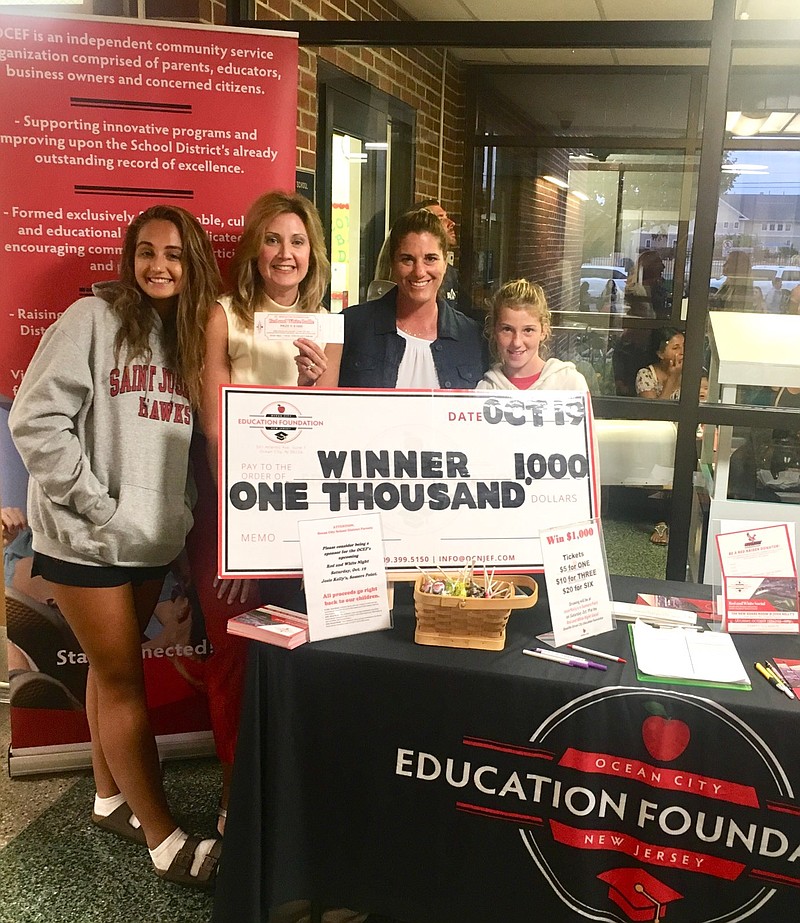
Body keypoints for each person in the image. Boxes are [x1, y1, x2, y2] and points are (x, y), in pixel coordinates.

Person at [8, 205, 222, 889]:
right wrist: (96, 504)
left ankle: (107, 799)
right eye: (145, 252)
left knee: (107, 670)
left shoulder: (190, 337)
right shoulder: (91, 321)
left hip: (149, 541)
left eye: (174, 254)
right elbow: (36, 418)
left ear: (193, 264)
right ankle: (163, 836)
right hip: (86, 540)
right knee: (127, 679)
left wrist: (176, 517)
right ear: (129, 258)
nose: (158, 265)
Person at [192, 190, 336, 834]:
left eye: (298, 241)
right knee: (236, 657)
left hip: (301, 514)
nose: (286, 253)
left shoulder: (326, 324)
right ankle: (235, 800)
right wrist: (240, 539)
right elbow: (217, 428)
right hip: (235, 508)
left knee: (302, 655)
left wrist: (312, 388)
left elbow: (324, 428)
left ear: (312, 254)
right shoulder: (224, 315)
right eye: (274, 240)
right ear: (256, 249)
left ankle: (294, 799)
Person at [335, 208, 487, 389]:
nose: (419, 272)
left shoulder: (473, 337)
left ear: (445, 263)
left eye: (430, 258)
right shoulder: (350, 326)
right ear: (392, 263)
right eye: (407, 259)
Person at [476, 279, 589, 391]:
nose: (517, 342)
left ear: (543, 331)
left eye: (528, 330)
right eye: (507, 329)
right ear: (494, 330)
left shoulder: (570, 383)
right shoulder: (485, 389)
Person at [635, 328, 684, 401]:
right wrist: (672, 378)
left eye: (684, 346)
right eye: (675, 348)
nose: (682, 352)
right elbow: (655, 411)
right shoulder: (646, 375)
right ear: (660, 354)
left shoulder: (691, 373)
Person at [624, 250, 668, 319]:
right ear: (649, 267)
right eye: (658, 262)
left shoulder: (654, 289)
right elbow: (645, 316)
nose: (663, 267)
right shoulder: (636, 291)